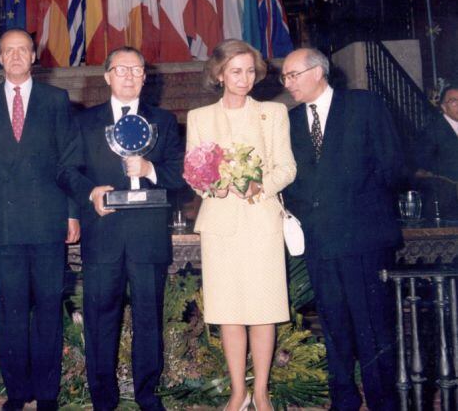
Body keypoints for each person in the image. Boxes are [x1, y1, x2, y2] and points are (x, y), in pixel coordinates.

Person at [58, 47, 186, 411]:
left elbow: (180, 177)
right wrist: (90, 192)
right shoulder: (84, 122)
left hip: (148, 236)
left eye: (136, 69)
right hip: (104, 233)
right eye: (121, 69)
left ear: (146, 77)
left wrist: (150, 170)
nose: (129, 76)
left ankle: (148, 396)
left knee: (149, 317)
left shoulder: (164, 120)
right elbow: (66, 171)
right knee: (100, 318)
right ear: (107, 76)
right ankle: (103, 398)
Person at [0, 28, 80, 411]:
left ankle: (47, 394)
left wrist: (72, 212)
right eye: (8, 51)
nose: (15, 56)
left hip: (49, 220)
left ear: (34, 56)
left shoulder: (56, 99)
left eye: (23, 50)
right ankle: (17, 392)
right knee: (10, 308)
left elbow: (69, 161)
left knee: (48, 307)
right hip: (4, 223)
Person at [282, 47, 402, 411]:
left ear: (318, 72)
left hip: (362, 237)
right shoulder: (288, 120)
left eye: (292, 75)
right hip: (319, 241)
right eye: (285, 77)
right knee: (333, 326)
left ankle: (383, 402)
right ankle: (343, 400)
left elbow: (393, 166)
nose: (287, 83)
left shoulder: (363, 105)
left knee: (372, 326)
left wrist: (357, 203)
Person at [185, 39, 296, 411]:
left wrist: (260, 185)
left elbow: (287, 168)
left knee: (264, 310)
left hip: (261, 220)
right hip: (220, 224)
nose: (244, 78)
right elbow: (194, 174)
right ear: (218, 74)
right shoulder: (200, 117)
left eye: (250, 71)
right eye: (236, 71)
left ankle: (261, 392)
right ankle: (238, 392)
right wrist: (215, 182)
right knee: (229, 311)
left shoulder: (273, 113)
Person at [413, 85, 458, 218]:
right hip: (446, 204)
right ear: (443, 107)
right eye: (454, 101)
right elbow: (420, 169)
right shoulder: (432, 131)